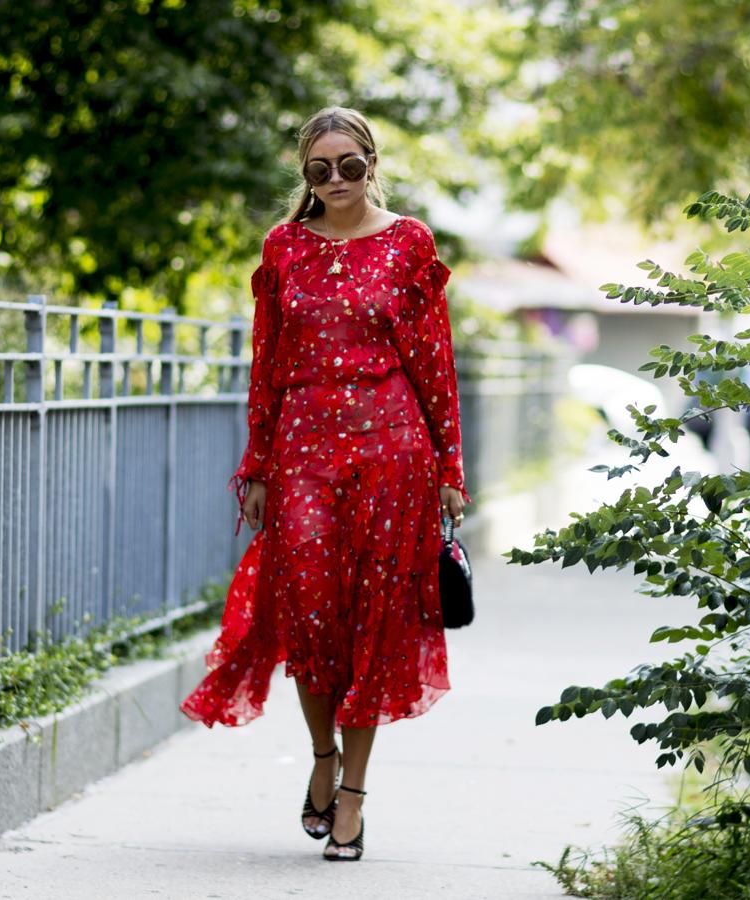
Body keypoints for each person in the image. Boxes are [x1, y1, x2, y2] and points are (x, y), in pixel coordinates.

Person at [179, 106, 470, 862]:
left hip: (394, 450)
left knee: (374, 621)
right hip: (304, 448)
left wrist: (449, 468)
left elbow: (435, 363)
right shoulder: (283, 248)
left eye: (349, 164)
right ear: (304, 176)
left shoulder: (409, 242)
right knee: (308, 610)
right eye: (319, 169)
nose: (335, 179)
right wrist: (256, 466)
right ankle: (321, 753)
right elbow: (266, 366)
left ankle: (354, 795)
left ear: (372, 162)